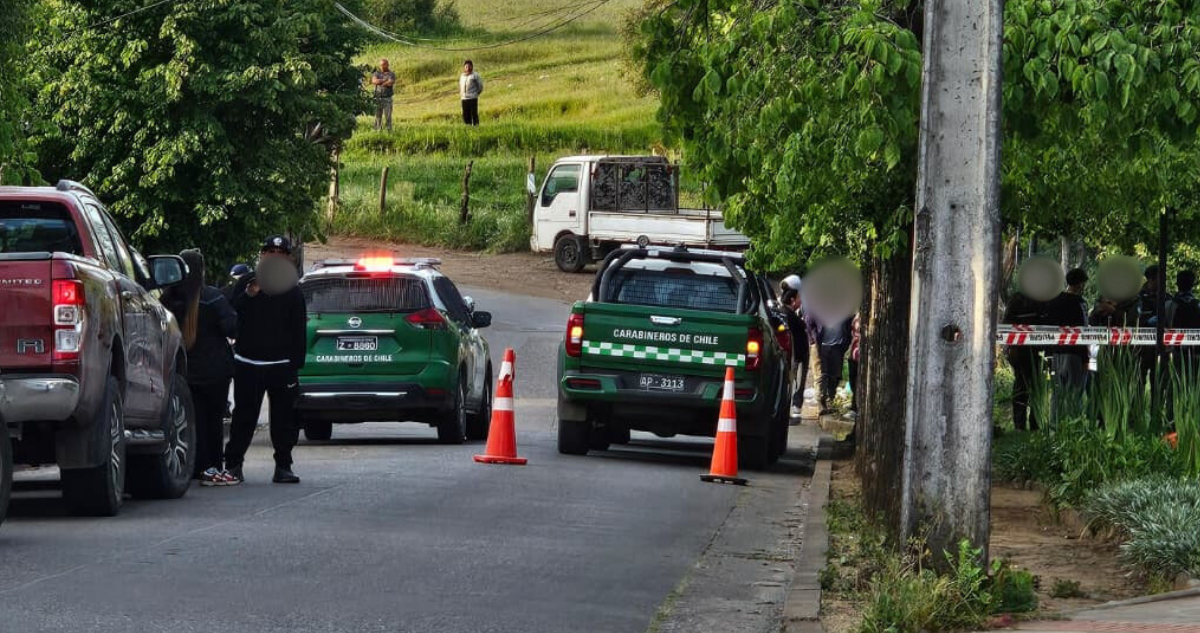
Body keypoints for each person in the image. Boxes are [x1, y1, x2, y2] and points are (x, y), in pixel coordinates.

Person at [224, 236, 308, 484]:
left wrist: (295, 366)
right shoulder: (247, 282)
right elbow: (230, 314)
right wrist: (250, 295)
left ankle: (283, 466)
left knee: (284, 419)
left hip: (281, 365)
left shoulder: (292, 290)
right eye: (269, 251)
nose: (273, 256)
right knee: (244, 417)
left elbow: (298, 330)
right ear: (262, 255)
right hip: (248, 363)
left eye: (279, 252)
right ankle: (234, 465)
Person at [162, 250, 240, 486]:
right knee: (214, 422)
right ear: (202, 270)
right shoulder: (213, 297)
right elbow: (232, 329)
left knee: (190, 421)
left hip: (185, 373)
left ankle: (193, 465)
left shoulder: (168, 299)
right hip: (216, 371)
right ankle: (212, 467)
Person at [1004, 289, 1051, 431]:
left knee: (1039, 386)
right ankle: (1019, 425)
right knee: (1021, 386)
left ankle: (1036, 424)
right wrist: (1011, 347)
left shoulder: (1045, 297)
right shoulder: (1017, 298)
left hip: (1040, 350)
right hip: (1020, 350)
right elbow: (1006, 324)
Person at [1047, 268, 1089, 393]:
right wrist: (1086, 357)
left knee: (1056, 393)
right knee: (1074, 393)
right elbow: (1084, 329)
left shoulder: (1054, 301)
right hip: (1074, 353)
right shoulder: (1080, 303)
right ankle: (1071, 414)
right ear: (1080, 284)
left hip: (1056, 351)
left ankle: (1055, 413)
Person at [806, 313, 852, 416]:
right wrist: (813, 340)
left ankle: (830, 400)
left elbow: (849, 324)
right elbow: (809, 322)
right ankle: (820, 403)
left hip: (837, 346)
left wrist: (846, 342)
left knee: (835, 376)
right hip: (820, 345)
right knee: (821, 376)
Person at [780, 287, 808, 420]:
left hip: (795, 355)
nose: (801, 301)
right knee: (792, 383)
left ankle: (788, 411)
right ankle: (787, 412)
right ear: (792, 300)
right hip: (794, 356)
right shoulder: (788, 315)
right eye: (799, 298)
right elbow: (803, 326)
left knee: (792, 382)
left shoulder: (786, 313)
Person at [371, 59, 396, 132]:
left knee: (388, 117)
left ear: (387, 65)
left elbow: (390, 83)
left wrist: (380, 81)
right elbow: (374, 81)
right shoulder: (376, 73)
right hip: (377, 98)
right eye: (381, 65)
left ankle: (389, 131)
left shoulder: (391, 74)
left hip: (387, 98)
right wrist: (384, 80)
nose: (382, 66)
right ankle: (378, 131)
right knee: (378, 116)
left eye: (383, 65)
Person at [459, 60, 483, 126]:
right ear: (464, 67)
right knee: (465, 114)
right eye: (466, 66)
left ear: (472, 67)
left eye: (469, 66)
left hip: (473, 98)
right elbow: (460, 85)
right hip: (464, 98)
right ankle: (468, 127)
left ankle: (476, 127)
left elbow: (480, 86)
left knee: (474, 114)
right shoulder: (462, 76)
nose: (468, 68)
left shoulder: (475, 75)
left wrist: (476, 93)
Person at [846, 314, 861, 420]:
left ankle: (855, 408)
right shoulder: (856, 317)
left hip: (859, 353)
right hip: (854, 352)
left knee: (856, 382)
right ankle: (854, 406)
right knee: (853, 381)